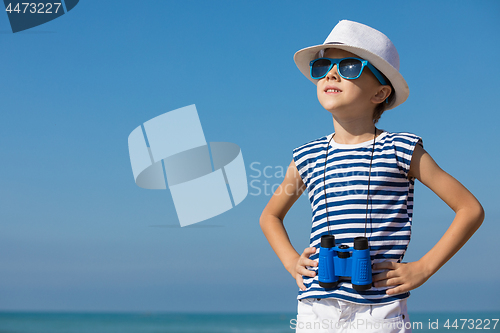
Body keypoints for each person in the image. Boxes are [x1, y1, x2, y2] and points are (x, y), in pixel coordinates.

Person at [259, 20, 484, 333]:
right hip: (317, 309)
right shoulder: (306, 156)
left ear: (380, 92)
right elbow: (270, 215)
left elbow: (469, 208)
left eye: (349, 66)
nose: (331, 74)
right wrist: (290, 261)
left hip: (380, 309)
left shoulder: (401, 149)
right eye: (323, 65)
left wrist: (423, 268)